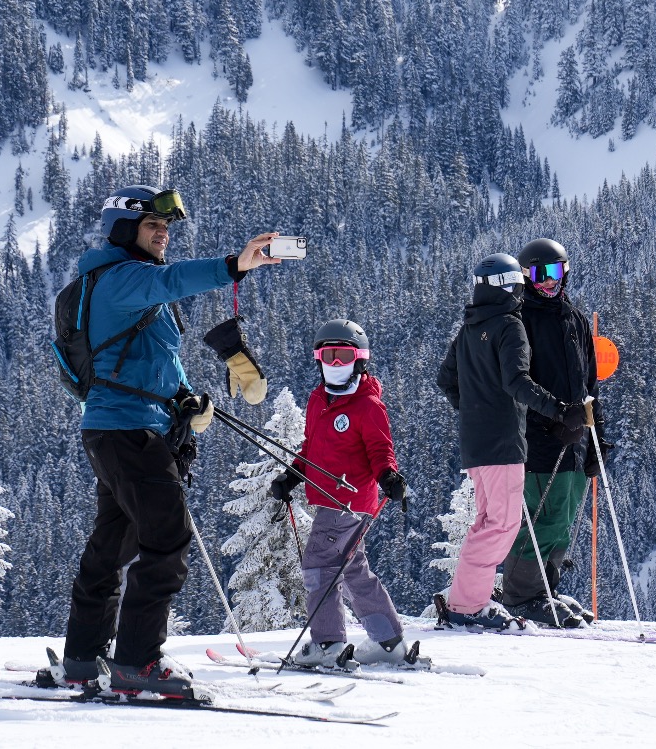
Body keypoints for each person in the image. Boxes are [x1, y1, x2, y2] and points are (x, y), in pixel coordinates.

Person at [58, 185, 282, 698]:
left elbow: (152, 360)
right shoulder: (122, 278)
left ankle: (82, 658)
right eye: (152, 226)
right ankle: (137, 663)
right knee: (167, 539)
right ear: (124, 231)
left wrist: (181, 399)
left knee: (112, 545)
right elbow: (177, 279)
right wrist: (236, 264)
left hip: (124, 427)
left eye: (166, 228)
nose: (163, 234)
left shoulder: (127, 286)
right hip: (128, 432)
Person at [435, 252, 582, 630]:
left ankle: (469, 602)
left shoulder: (469, 328)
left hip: (476, 443)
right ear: (510, 287)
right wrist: (560, 410)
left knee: (488, 521)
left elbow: (447, 381)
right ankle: (467, 607)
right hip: (502, 441)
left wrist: (474, 410)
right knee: (500, 524)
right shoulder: (509, 327)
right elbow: (517, 383)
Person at [268, 319, 419, 668]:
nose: (335, 364)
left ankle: (328, 643)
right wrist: (291, 477)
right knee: (351, 569)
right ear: (318, 359)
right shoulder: (318, 399)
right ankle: (389, 641)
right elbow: (311, 449)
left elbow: (381, 451)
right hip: (329, 499)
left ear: (360, 359)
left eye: (344, 356)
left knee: (319, 566)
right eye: (328, 355)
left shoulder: (368, 405)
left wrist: (389, 477)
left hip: (347, 501)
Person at [502, 237, 600, 628]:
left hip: (576, 439)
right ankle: (522, 595)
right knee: (541, 517)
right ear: (527, 277)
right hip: (539, 439)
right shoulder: (521, 320)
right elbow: (517, 384)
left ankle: (546, 587)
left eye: (556, 272)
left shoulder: (574, 319)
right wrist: (553, 420)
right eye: (541, 275)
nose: (549, 282)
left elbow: (590, 384)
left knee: (564, 517)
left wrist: (597, 440)